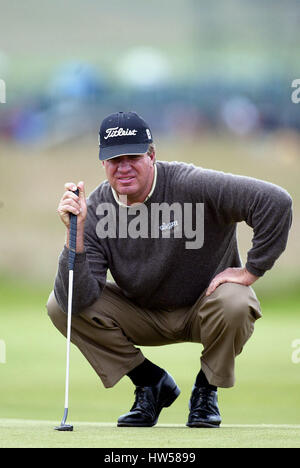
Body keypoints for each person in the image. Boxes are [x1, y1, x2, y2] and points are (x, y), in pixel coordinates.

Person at [47, 111, 292, 428]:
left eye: (132, 156)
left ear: (151, 154)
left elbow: (275, 202)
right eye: (113, 159)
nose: (123, 167)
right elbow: (75, 303)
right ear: (102, 163)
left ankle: (206, 391)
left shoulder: (192, 184)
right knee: (58, 305)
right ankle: (150, 383)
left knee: (237, 301)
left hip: (206, 307)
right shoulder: (94, 209)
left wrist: (250, 271)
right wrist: (76, 236)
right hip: (142, 312)